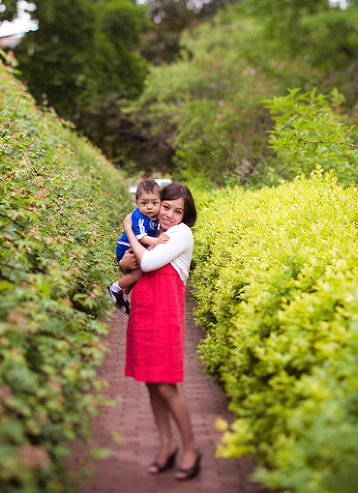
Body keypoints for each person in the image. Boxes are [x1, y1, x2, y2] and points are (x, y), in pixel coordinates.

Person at [118, 182, 201, 481]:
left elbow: (149, 261)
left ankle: (190, 448)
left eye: (178, 211)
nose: (169, 215)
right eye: (166, 207)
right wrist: (124, 261)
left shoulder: (181, 233)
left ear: (184, 215)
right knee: (151, 382)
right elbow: (131, 266)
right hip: (144, 311)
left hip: (165, 315)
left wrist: (130, 230)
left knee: (166, 384)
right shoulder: (154, 232)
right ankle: (166, 445)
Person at [107, 179, 169, 313]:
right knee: (137, 274)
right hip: (126, 247)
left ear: (160, 202)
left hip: (137, 246)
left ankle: (123, 297)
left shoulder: (155, 215)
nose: (149, 207)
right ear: (136, 203)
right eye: (144, 203)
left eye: (154, 203)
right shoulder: (138, 216)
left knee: (135, 276)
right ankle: (114, 288)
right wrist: (158, 241)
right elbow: (141, 237)